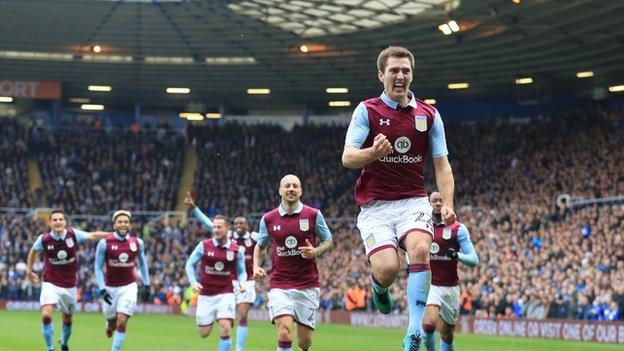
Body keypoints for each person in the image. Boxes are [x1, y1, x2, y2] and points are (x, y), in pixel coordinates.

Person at [341, 45, 456, 350]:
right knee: (388, 268)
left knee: (420, 249)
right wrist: (372, 153)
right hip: (376, 206)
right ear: (381, 75)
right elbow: (348, 157)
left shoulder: (428, 114)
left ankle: (414, 331)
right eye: (393, 70)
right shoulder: (367, 110)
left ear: (412, 74)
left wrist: (448, 205)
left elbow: (442, 164)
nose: (400, 75)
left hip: (413, 202)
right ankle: (379, 288)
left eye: (405, 70)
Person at [253, 174, 333, 351]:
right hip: (280, 284)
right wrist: (256, 267)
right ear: (280, 190)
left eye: (295, 186)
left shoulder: (313, 215)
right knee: (284, 332)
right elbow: (260, 246)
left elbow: (329, 241)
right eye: (287, 186)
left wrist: (315, 251)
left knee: (304, 343)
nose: (291, 189)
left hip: (307, 284)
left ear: (300, 191)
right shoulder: (268, 219)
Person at [26, 209, 108, 351]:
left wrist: (113, 234)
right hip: (50, 283)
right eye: (55, 220)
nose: (58, 222)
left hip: (69, 285)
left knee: (67, 319)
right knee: (46, 315)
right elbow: (33, 251)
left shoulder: (72, 234)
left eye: (60, 219)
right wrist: (29, 271)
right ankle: (50, 348)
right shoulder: (44, 239)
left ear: (64, 222)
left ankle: (64, 341)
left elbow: (93, 235)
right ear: (50, 223)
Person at [422, 192, 479, 351]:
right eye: (435, 200)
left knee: (447, 335)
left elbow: (474, 259)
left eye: (441, 200)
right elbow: (409, 250)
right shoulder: (423, 227)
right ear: (429, 203)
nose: (438, 203)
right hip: (431, 285)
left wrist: (457, 255)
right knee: (428, 325)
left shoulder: (458, 228)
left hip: (451, 287)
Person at [185, 212, 247, 351]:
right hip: (206, 294)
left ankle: (225, 318)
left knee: (225, 328)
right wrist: (193, 282)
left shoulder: (237, 250)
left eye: (219, 227)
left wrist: (242, 283)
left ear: (227, 229)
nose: (216, 230)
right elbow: (189, 264)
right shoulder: (203, 245)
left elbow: (242, 272)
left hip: (226, 293)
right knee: (204, 333)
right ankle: (219, 317)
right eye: (214, 227)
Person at [94, 210, 150, 351]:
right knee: (112, 323)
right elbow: (98, 267)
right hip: (110, 288)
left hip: (129, 287)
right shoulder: (104, 243)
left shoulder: (137, 243)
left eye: (126, 222)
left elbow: (143, 264)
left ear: (130, 225)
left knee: (122, 320)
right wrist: (102, 289)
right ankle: (109, 325)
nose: (123, 224)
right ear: (114, 225)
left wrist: (147, 284)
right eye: (120, 222)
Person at [228, 217, 258, 351]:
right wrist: (195, 209)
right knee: (227, 319)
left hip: (247, 282)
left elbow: (270, 236)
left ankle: (239, 349)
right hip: (228, 281)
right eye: (235, 223)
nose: (238, 225)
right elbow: (209, 224)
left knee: (243, 316)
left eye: (241, 223)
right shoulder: (228, 237)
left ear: (247, 225)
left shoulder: (254, 237)